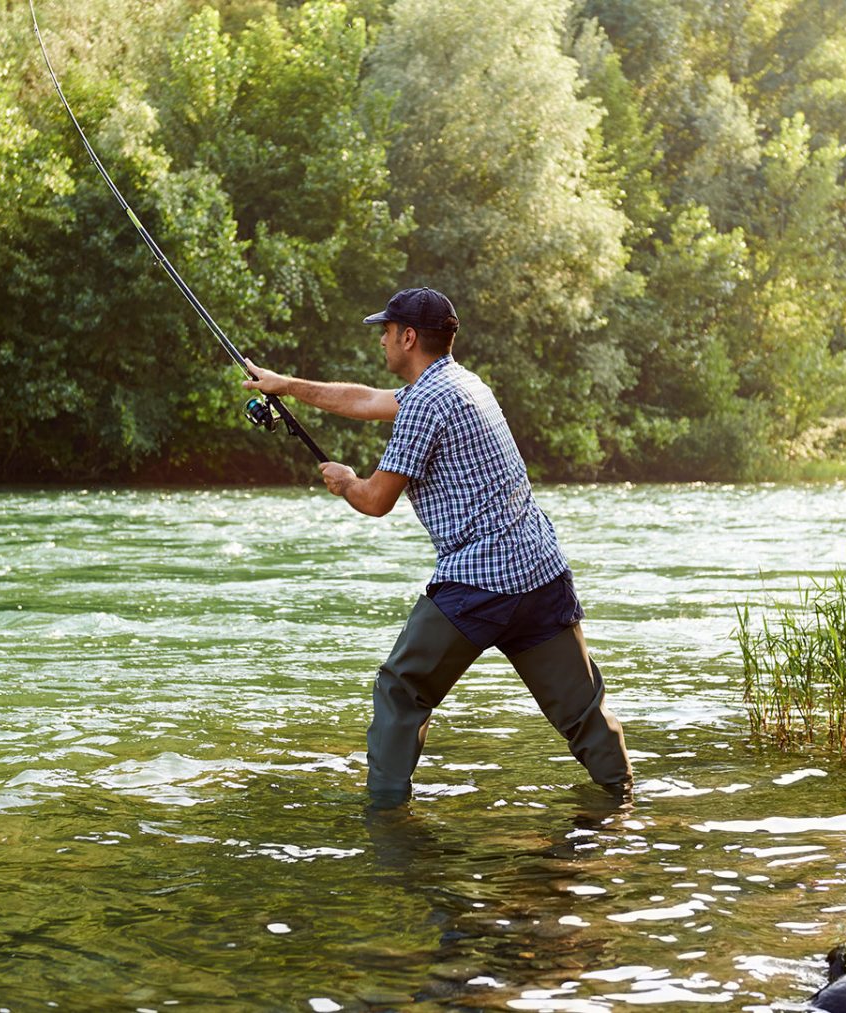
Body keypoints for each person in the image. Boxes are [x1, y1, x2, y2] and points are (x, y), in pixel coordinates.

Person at [241, 286, 632, 806]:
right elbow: (363, 400)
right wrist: (285, 386)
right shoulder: (464, 384)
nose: (381, 340)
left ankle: (386, 820)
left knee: (401, 689)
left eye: (385, 331)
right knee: (581, 709)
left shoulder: (425, 402)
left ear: (408, 337)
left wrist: (346, 481)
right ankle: (622, 805)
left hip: (478, 583)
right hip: (541, 572)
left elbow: (376, 501)